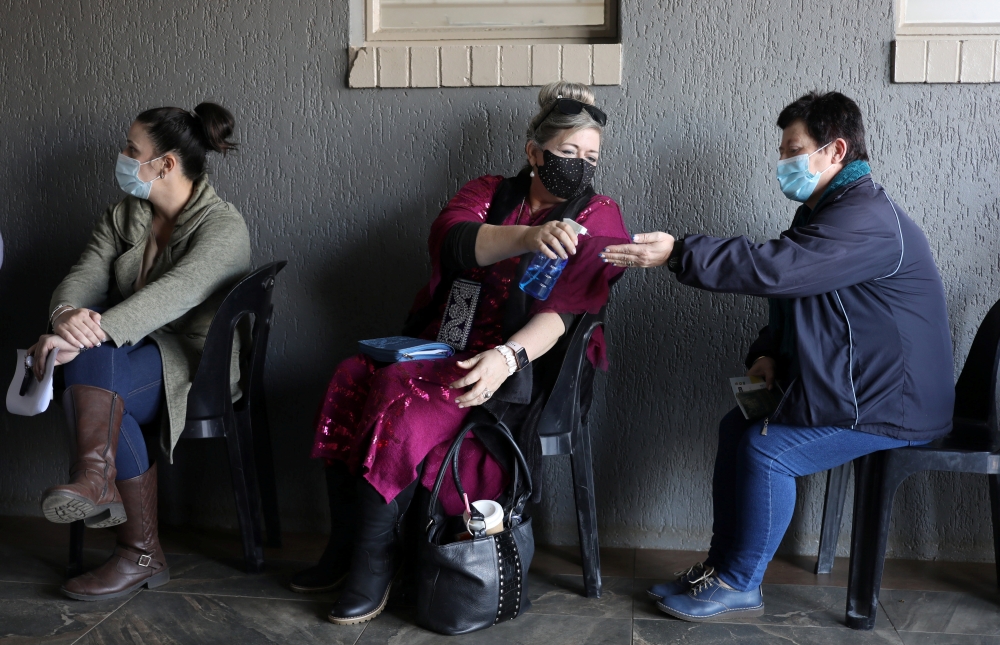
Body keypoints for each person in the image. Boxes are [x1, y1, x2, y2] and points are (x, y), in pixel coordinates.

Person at [602, 91, 954, 621]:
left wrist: (680, 253)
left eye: (794, 150)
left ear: (835, 151)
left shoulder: (867, 219)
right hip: (858, 385)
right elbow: (795, 294)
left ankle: (742, 582)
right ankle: (720, 569)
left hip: (894, 404)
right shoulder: (829, 211)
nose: (783, 162)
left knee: (767, 452)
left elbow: (779, 269)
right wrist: (768, 353)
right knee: (734, 428)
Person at [294, 81, 631, 625]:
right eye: (568, 153)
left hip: (525, 361)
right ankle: (347, 543)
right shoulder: (489, 191)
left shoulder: (599, 214)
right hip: (447, 338)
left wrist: (506, 358)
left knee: (399, 400)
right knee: (353, 374)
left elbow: (565, 313)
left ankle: (374, 564)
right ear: (534, 153)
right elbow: (451, 240)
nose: (581, 167)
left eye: (592, 157)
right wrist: (526, 237)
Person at [30, 103, 251, 601]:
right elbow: (84, 275)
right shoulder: (124, 214)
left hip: (194, 362)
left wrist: (77, 336)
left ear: (166, 164)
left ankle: (115, 512)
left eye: (132, 150)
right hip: (127, 352)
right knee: (95, 364)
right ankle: (112, 507)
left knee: (91, 364)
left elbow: (173, 295)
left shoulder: (224, 228)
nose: (122, 157)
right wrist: (67, 313)